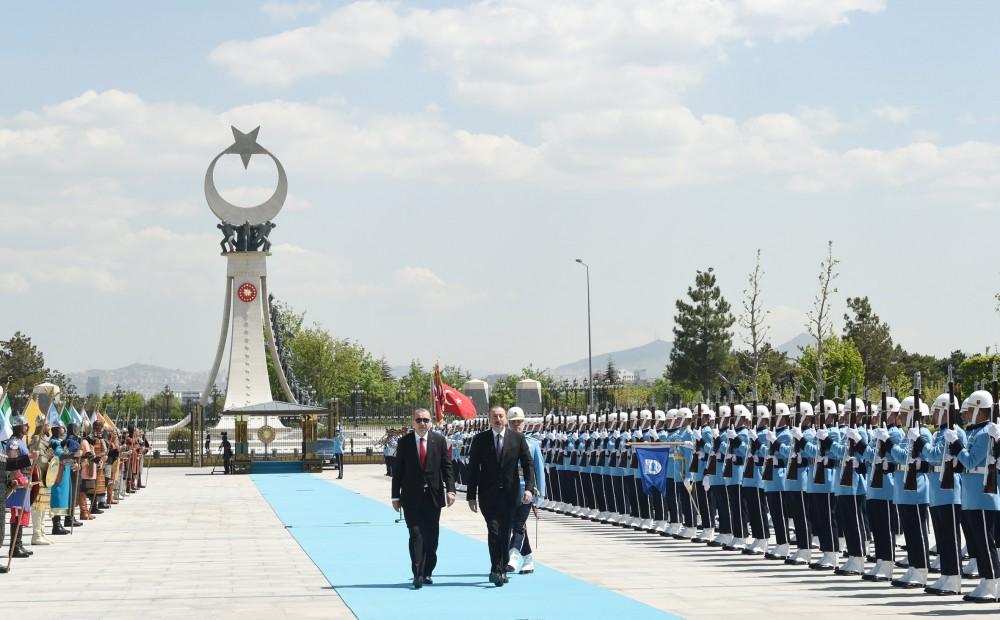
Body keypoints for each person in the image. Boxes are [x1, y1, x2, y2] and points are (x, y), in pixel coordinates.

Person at [465, 406, 536, 587]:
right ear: (489, 419)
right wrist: (471, 495)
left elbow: (528, 465)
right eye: (494, 416)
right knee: (494, 531)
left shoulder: (517, 438)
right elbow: (473, 469)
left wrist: (529, 488)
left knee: (505, 533)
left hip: (511, 494)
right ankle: (496, 568)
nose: (498, 419)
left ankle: (502, 568)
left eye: (501, 416)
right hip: (488, 495)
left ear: (505, 418)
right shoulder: (480, 440)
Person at [391, 408, 455, 589]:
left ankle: (428, 571)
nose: (422, 423)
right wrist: (395, 496)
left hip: (433, 497)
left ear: (431, 422)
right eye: (419, 420)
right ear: (413, 422)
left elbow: (447, 467)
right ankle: (417, 573)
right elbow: (398, 471)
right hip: (411, 497)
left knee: (432, 537)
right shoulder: (404, 442)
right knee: (416, 534)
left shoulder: (440, 441)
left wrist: (450, 490)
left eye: (426, 420)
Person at [506, 408, 546, 574]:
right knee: (514, 524)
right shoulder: (504, 440)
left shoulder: (532, 442)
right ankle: (528, 558)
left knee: (519, 524)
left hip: (526, 489)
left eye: (519, 421)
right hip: (508, 489)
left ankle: (513, 556)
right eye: (513, 422)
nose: (517, 424)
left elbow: (539, 468)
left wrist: (540, 493)